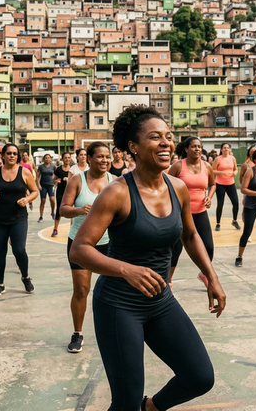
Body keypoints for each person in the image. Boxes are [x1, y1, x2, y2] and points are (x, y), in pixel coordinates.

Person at [69, 104, 225, 411]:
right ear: (133, 147)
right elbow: (80, 249)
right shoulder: (117, 193)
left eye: (168, 136)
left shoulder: (177, 188)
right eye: (155, 137)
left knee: (199, 376)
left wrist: (212, 277)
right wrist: (127, 270)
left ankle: (150, 408)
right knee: (125, 401)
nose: (166, 143)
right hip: (119, 305)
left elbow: (190, 235)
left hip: (160, 301)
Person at [59, 142, 113, 353]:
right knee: (81, 290)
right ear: (88, 158)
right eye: (100, 156)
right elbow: (63, 209)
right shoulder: (76, 180)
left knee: (112, 291)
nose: (105, 160)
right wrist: (80, 210)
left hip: (108, 242)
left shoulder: (114, 182)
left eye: (107, 156)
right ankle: (77, 333)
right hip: (81, 243)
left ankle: (113, 330)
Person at [0, 143, 39, 296]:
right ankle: (0, 284)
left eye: (14, 153)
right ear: (3, 155)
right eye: (9, 153)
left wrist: (27, 199)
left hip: (18, 218)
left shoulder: (24, 172)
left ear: (18, 156)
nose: (12, 156)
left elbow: (35, 191)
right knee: (0, 251)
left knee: (19, 249)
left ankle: (26, 277)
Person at [168, 136, 216, 286]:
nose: (197, 149)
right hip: (181, 213)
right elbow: (166, 185)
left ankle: (204, 274)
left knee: (208, 247)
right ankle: (167, 281)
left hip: (200, 212)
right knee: (176, 248)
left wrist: (209, 196)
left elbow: (213, 184)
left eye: (199, 147)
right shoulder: (177, 166)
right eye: (194, 146)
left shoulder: (207, 166)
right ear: (186, 149)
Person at [211, 143, 240, 231]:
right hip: (220, 184)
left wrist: (235, 173)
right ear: (221, 149)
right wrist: (222, 173)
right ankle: (218, 223)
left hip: (231, 183)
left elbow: (235, 169)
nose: (226, 149)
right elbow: (212, 170)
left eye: (227, 148)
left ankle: (234, 221)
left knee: (235, 203)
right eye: (224, 148)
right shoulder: (218, 159)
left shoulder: (232, 158)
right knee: (220, 204)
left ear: (230, 149)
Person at [51, 152, 72, 238]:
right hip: (60, 191)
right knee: (59, 210)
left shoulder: (72, 169)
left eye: (68, 157)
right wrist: (56, 181)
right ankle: (55, 229)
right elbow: (53, 179)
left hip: (71, 192)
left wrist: (69, 180)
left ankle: (72, 229)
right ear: (62, 159)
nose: (67, 159)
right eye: (65, 158)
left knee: (72, 209)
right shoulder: (59, 169)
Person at [36, 153, 57, 223]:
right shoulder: (41, 167)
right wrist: (38, 185)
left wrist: (55, 185)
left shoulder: (53, 167)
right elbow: (37, 177)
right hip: (43, 186)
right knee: (43, 201)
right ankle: (41, 216)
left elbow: (57, 177)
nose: (47, 159)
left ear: (50, 159)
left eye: (49, 158)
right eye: (46, 158)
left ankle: (53, 212)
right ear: (44, 159)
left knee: (52, 199)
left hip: (51, 185)